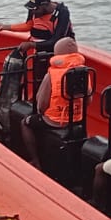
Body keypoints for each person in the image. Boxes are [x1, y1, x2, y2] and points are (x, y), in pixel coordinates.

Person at [20, 38, 88, 167]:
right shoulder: (83, 72)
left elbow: (41, 104)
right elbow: (88, 100)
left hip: (55, 121)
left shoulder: (51, 74)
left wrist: (42, 113)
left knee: (26, 122)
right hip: (77, 118)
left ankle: (35, 160)